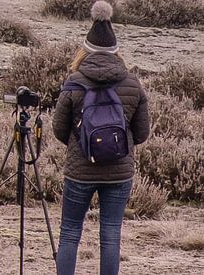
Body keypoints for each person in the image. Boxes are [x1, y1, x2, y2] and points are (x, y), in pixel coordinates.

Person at [52, 1, 150, 274]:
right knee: (110, 236)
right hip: (119, 172)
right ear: (116, 51)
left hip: (79, 171)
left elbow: (59, 129)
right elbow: (142, 134)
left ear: (85, 50)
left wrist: (81, 146)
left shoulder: (73, 83)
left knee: (70, 233)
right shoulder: (133, 84)